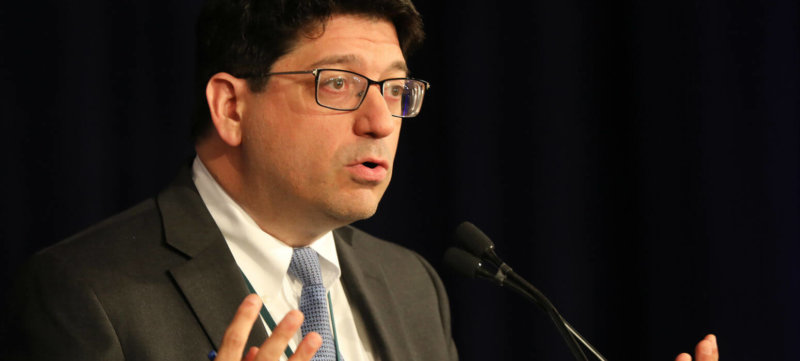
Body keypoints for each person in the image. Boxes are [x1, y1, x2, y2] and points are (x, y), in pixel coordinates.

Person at [7, 0, 719, 361]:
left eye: (398, 89)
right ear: (230, 105)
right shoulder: (85, 294)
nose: (382, 121)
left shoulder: (411, 286)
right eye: (340, 83)